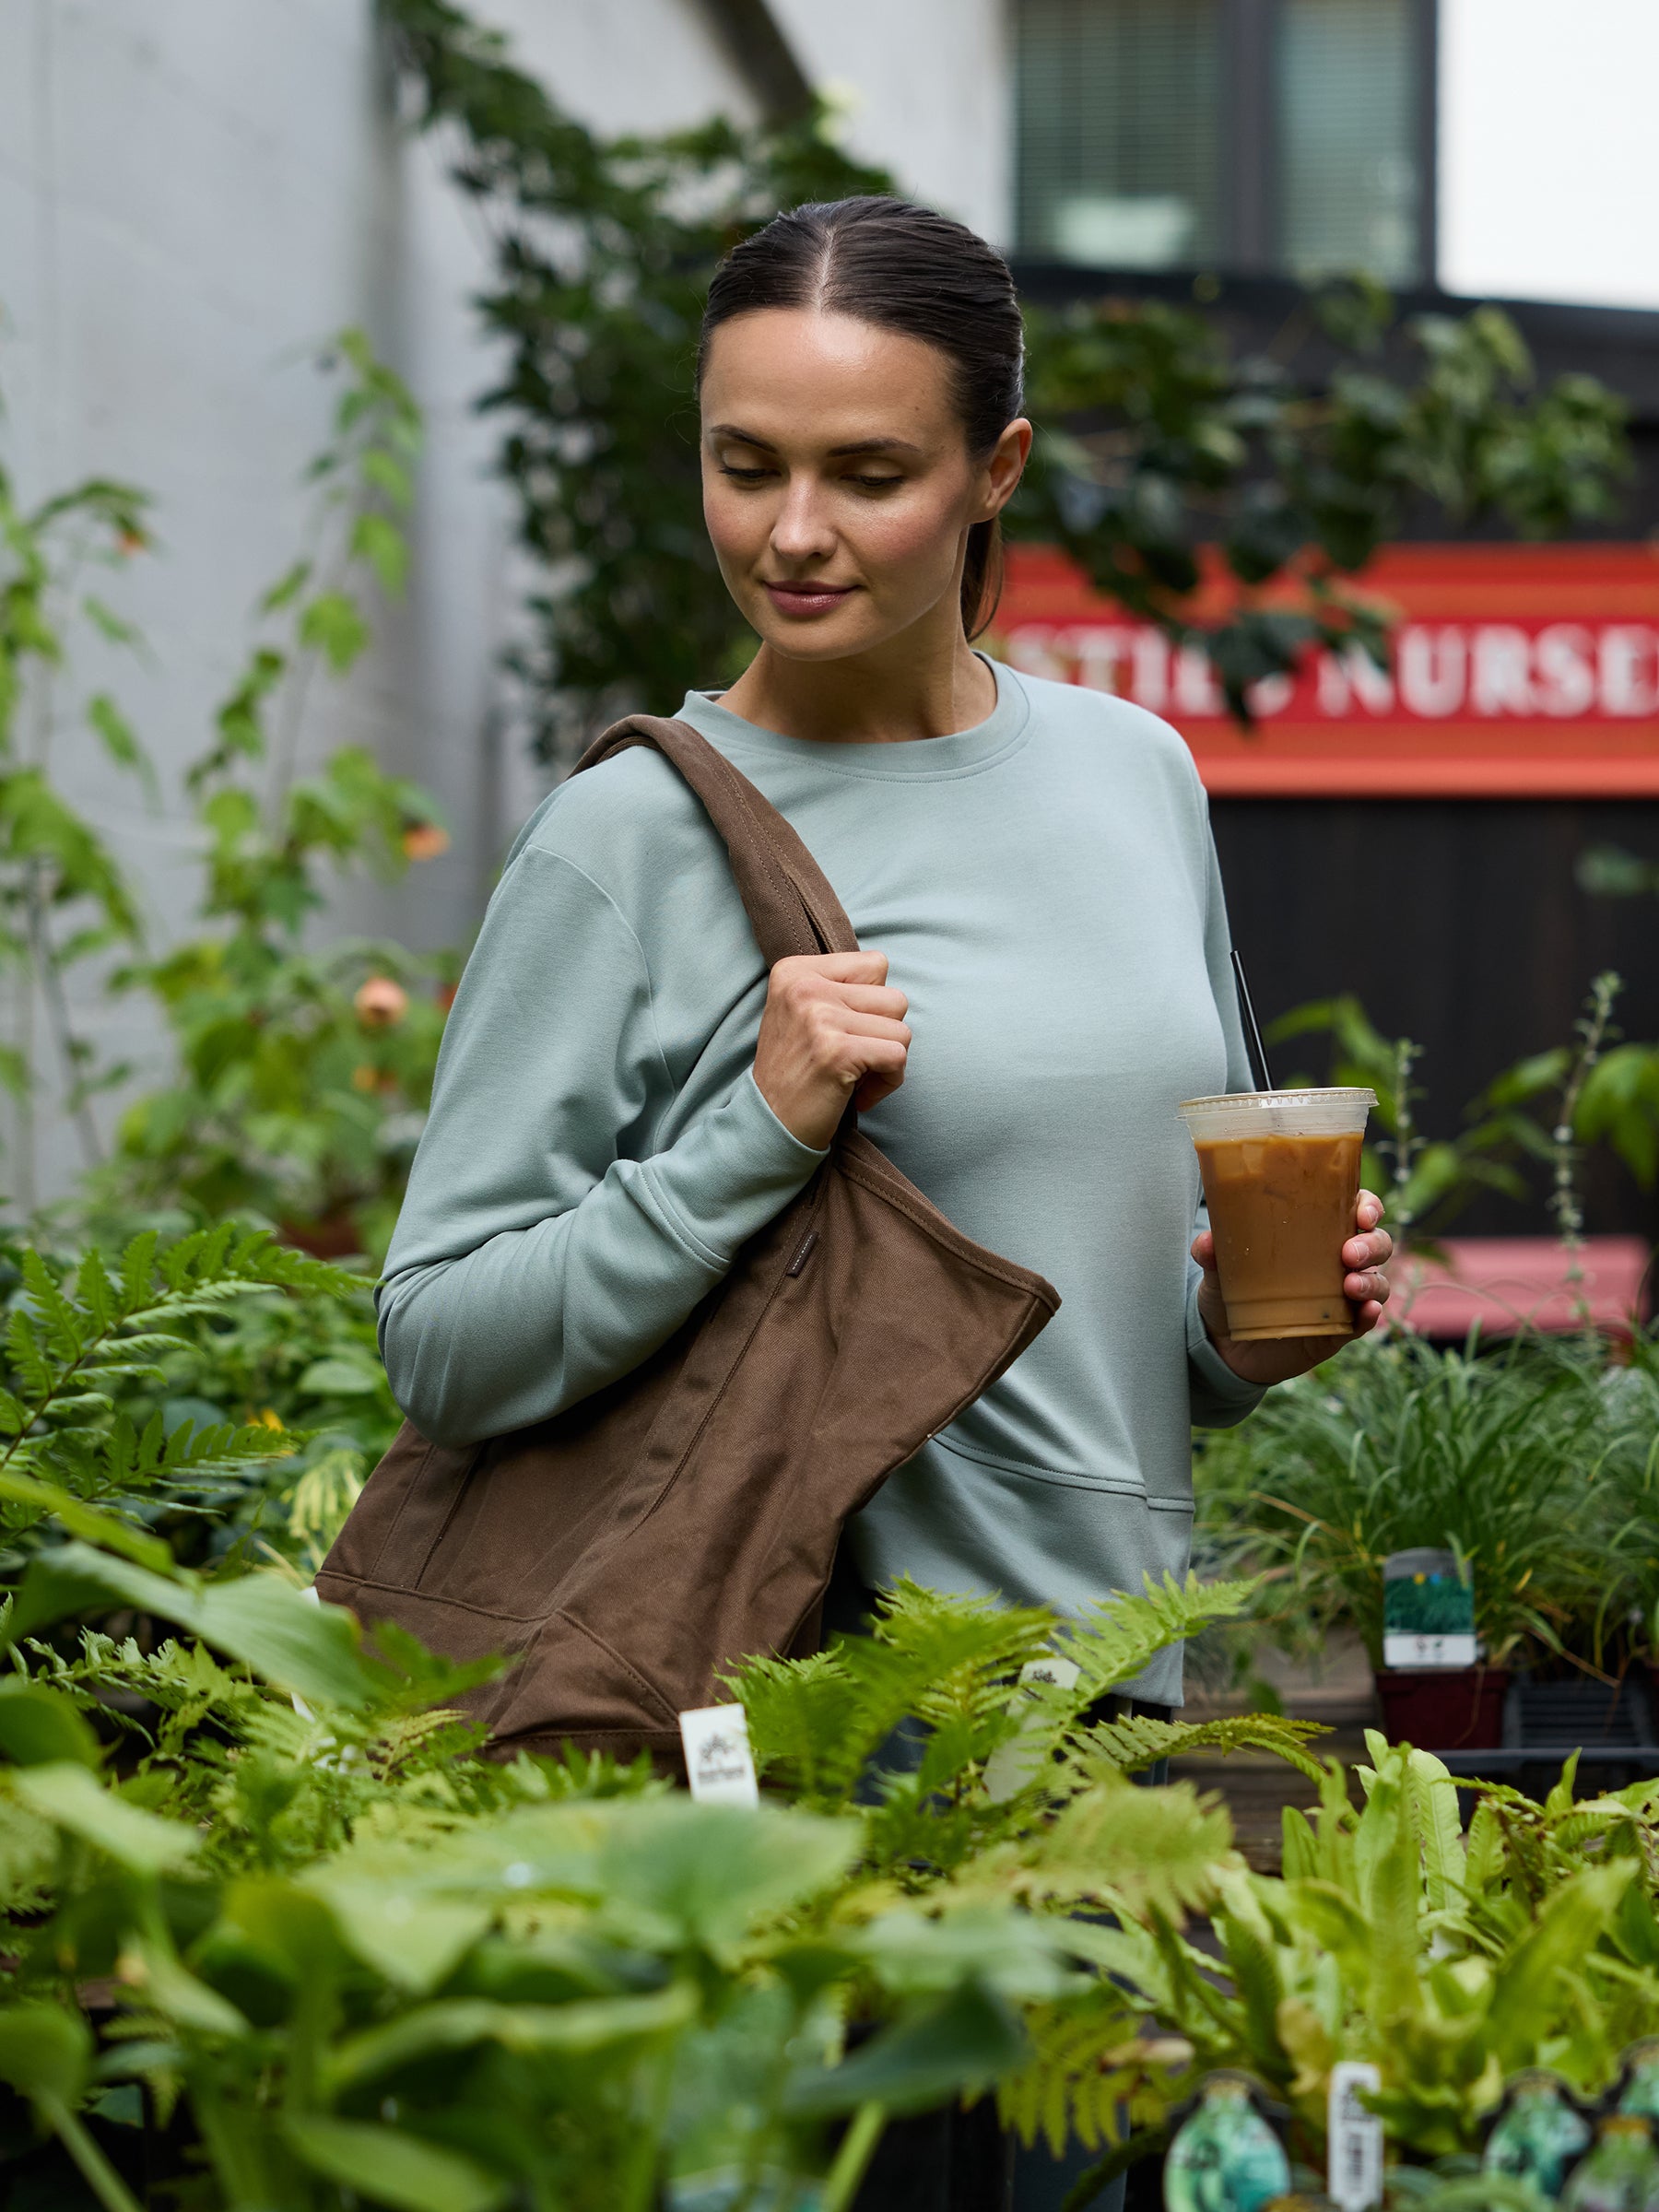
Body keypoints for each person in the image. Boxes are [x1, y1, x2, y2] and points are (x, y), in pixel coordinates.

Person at [376, 194, 1393, 2205]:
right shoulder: (632, 841)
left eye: (869, 473)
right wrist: (751, 1128)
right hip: (794, 1748)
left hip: (1114, 1740)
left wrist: (1253, 1330)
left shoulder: (1134, 778)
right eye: (745, 465)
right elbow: (444, 1335)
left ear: (995, 471)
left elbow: (1103, 1343)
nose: (793, 535)